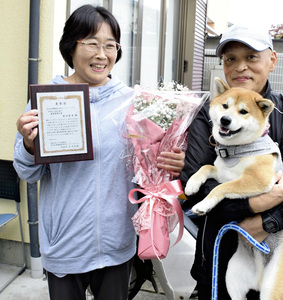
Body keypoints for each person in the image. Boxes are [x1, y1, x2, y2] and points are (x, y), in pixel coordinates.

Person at [14, 5, 184, 300]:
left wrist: (170, 160)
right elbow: (28, 172)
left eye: (110, 45)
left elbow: (148, 168)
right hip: (65, 241)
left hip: (116, 241)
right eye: (91, 43)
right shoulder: (49, 100)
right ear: (71, 46)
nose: (101, 54)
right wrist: (29, 145)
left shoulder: (132, 102)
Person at [180, 25, 283, 299]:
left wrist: (268, 221)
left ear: (272, 60)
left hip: (275, 254)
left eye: (251, 57)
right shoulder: (210, 114)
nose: (240, 68)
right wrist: (250, 205)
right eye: (231, 59)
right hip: (217, 254)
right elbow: (195, 185)